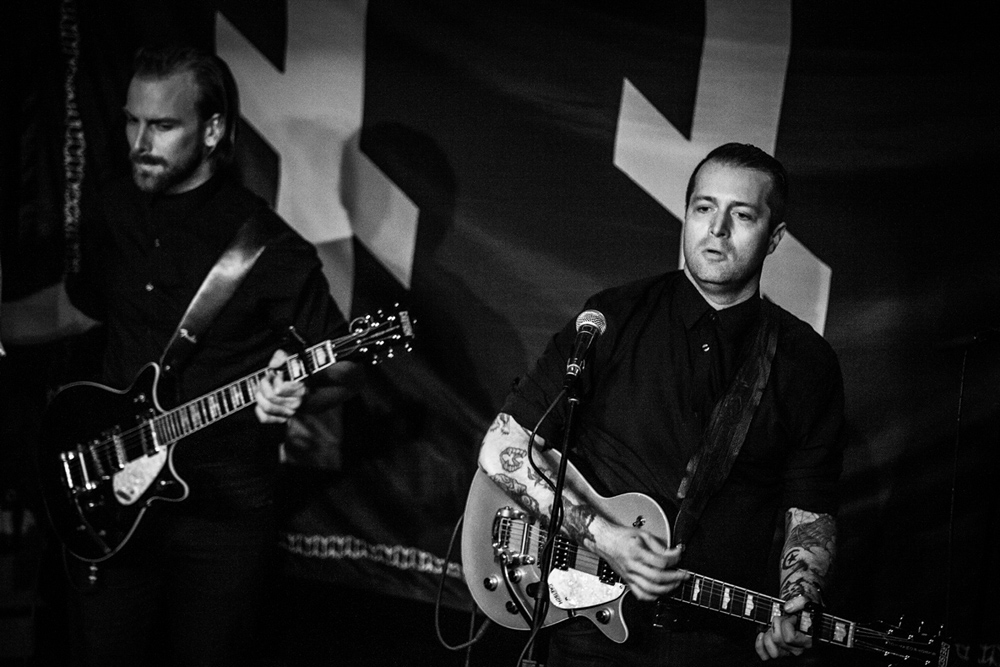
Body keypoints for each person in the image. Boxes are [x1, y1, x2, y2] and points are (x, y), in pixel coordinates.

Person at [478, 143, 845, 665]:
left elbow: (810, 509)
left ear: (775, 237)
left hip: (713, 639)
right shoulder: (611, 319)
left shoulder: (806, 362)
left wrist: (798, 602)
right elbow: (502, 446)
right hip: (587, 627)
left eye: (741, 215)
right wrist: (604, 538)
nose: (716, 229)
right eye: (703, 208)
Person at [62, 45, 359, 666]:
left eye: (163, 125)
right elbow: (83, 307)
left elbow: (344, 362)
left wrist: (298, 388)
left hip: (221, 516)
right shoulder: (111, 209)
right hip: (110, 488)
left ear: (213, 129)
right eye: (131, 121)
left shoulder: (269, 247)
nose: (141, 140)